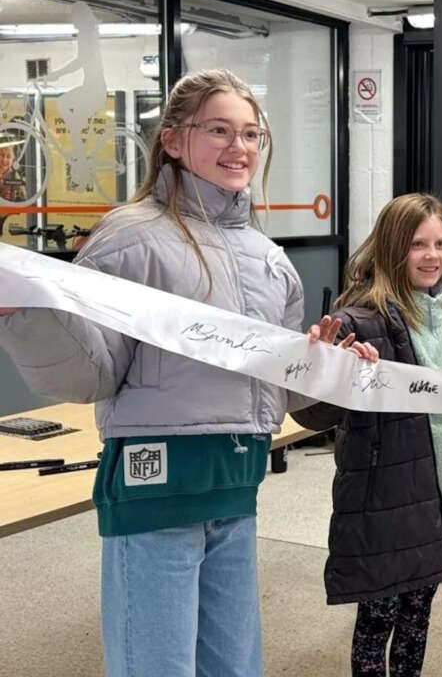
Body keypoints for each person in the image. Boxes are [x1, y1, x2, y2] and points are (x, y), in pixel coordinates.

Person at [0, 68, 368, 676]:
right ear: (172, 139)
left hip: (236, 485)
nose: (240, 148)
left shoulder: (270, 261)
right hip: (156, 491)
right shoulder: (129, 238)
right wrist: (27, 312)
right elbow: (90, 375)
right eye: (219, 130)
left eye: (252, 134)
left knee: (235, 666)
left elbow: (273, 396)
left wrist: (329, 367)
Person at [291, 192, 442, 677]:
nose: (432, 256)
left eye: (441, 243)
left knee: (419, 614)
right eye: (418, 244)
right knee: (377, 618)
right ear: (393, 248)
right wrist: (325, 369)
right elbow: (313, 416)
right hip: (386, 497)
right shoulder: (359, 319)